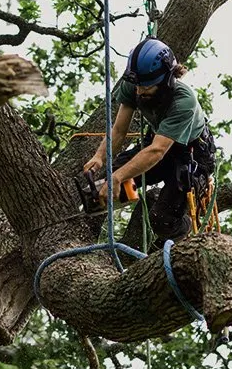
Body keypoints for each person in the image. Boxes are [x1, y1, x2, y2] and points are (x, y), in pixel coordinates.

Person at [83, 38, 216, 244]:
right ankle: (86, 230)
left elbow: (157, 152)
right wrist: (100, 157)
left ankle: (183, 229)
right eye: (137, 86)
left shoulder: (183, 102)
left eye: (146, 87)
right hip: (158, 143)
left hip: (190, 155)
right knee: (104, 185)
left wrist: (119, 177)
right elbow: (119, 131)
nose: (139, 91)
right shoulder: (135, 83)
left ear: (167, 80)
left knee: (162, 218)